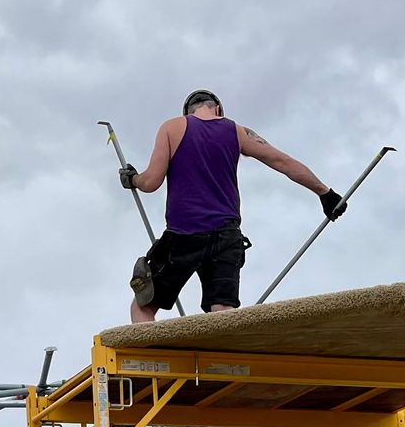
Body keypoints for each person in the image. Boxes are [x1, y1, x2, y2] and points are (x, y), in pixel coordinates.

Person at [119, 89, 346, 322]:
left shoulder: (172, 127)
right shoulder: (237, 131)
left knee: (144, 306)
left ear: (188, 111)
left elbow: (151, 182)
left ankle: (148, 357)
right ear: (217, 109)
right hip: (226, 237)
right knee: (223, 313)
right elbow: (282, 161)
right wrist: (325, 193)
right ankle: (224, 358)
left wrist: (132, 179)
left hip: (184, 235)